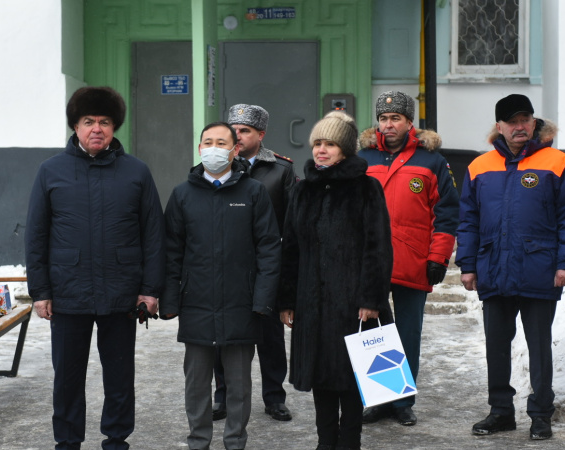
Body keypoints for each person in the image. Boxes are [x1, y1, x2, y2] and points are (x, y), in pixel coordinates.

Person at [25, 86, 165, 450]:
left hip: (121, 292)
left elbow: (153, 234)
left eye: (104, 122)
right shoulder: (50, 171)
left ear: (115, 126)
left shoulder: (136, 172)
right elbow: (36, 236)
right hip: (68, 293)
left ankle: (116, 439)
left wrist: (150, 289)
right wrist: (41, 291)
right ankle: (67, 441)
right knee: (67, 377)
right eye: (89, 121)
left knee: (119, 375)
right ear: (75, 126)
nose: (97, 129)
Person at [456, 94, 565, 441]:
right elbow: (468, 220)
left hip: (540, 269)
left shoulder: (559, 162)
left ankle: (541, 414)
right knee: (496, 346)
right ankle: (500, 411)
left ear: (534, 122)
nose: (519, 127)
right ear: (499, 126)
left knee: (539, 347)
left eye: (525, 120)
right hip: (494, 270)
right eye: (512, 122)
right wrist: (467, 265)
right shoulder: (479, 167)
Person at [160, 122, 281, 450]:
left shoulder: (253, 193)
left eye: (221, 142)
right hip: (196, 304)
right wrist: (170, 300)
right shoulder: (183, 194)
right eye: (207, 142)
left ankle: (235, 443)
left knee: (240, 386)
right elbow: (171, 252)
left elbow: (269, 248)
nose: (213, 148)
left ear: (235, 149)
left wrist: (263, 300)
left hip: (242, 304)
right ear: (200, 149)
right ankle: (198, 441)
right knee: (197, 385)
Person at [279, 111, 393, 450]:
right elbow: (290, 249)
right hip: (310, 302)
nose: (321, 150)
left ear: (344, 149)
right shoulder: (302, 191)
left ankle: (350, 441)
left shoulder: (366, 188)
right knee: (320, 378)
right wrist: (286, 300)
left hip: (353, 303)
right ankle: (325, 441)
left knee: (351, 376)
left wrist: (371, 299)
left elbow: (378, 247)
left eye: (329, 144)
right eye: (317, 143)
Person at [357, 91, 459, 426]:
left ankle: (403, 401)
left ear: (409, 122)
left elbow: (446, 213)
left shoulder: (431, 161)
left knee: (406, 332)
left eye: (395, 119)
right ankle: (380, 398)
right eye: (383, 119)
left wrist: (439, 257)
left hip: (413, 260)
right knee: (373, 330)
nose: (388, 125)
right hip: (370, 261)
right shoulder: (365, 158)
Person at [210, 104, 297, 423]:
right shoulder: (215, 166)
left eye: (245, 130)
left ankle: (274, 397)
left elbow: (292, 226)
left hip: (266, 270)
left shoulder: (281, 170)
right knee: (223, 337)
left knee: (270, 338)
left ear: (261, 135)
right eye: (234, 130)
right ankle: (223, 396)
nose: (238, 136)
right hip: (226, 269)